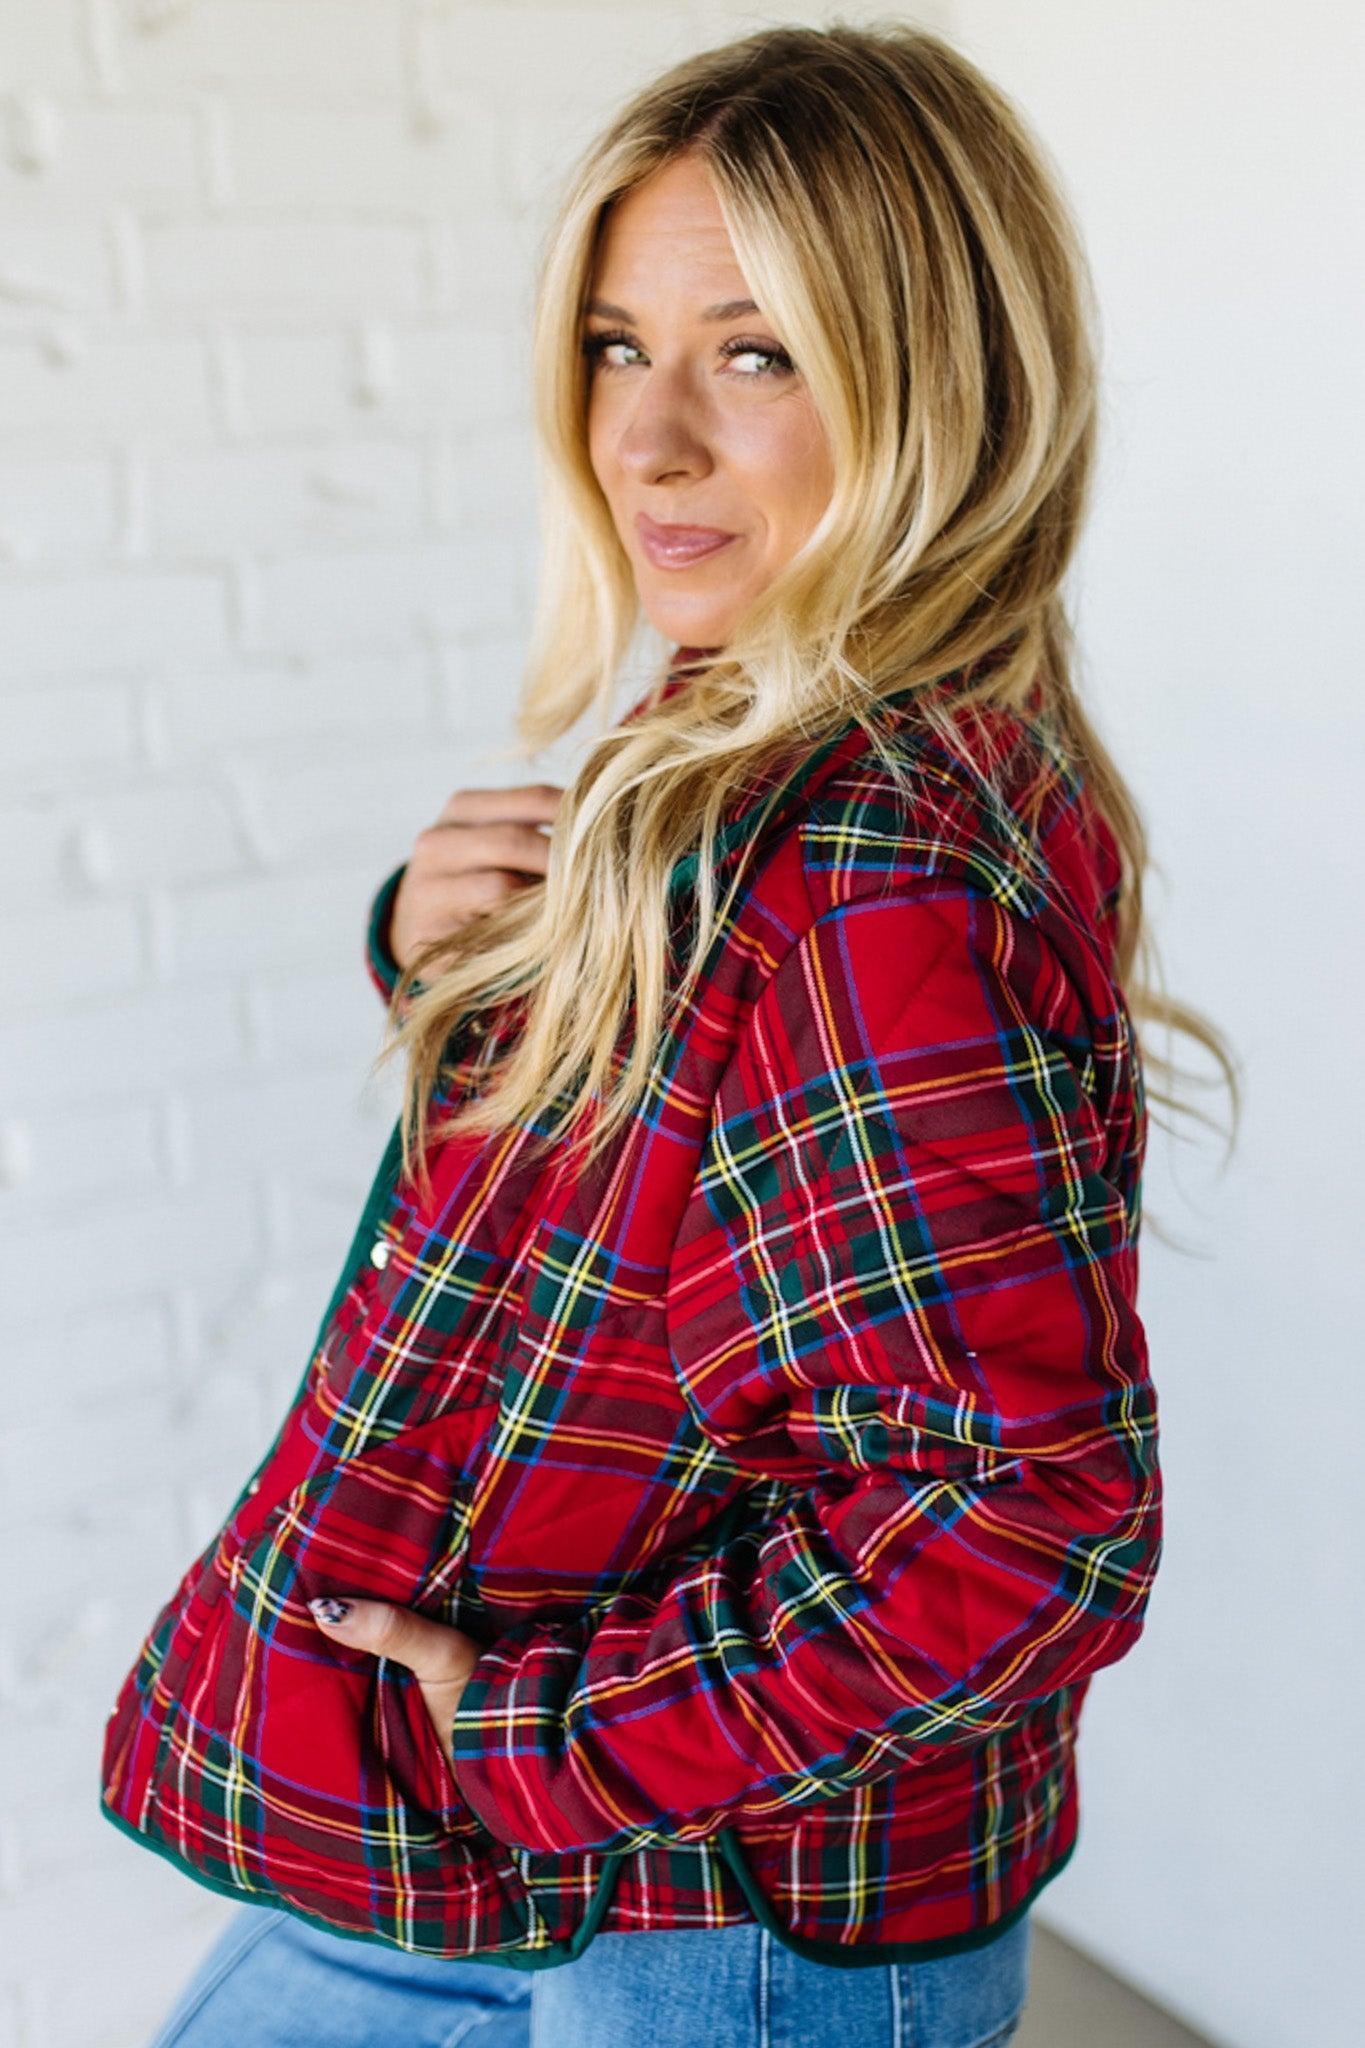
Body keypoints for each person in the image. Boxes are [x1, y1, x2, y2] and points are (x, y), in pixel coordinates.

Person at [104, 21, 1237, 2048]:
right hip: (524, 1853)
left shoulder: (873, 856)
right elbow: (686, 1205)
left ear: (934, 384)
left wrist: (546, 1729)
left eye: (753, 348)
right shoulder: (745, 738)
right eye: (618, 346)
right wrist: (452, 967)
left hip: (704, 1912)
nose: (645, 439)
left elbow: (1021, 1522)